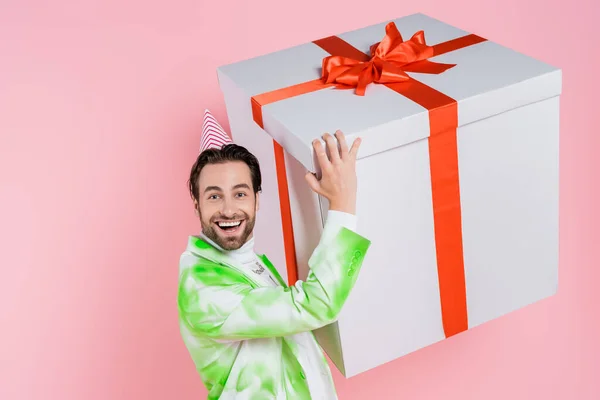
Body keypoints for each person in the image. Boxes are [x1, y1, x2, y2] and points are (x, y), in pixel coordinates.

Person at [177, 110, 371, 399]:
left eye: (240, 193)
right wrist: (343, 202)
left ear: (257, 199)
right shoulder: (202, 290)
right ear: (197, 204)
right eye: (214, 196)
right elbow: (315, 305)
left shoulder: (243, 261)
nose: (228, 209)